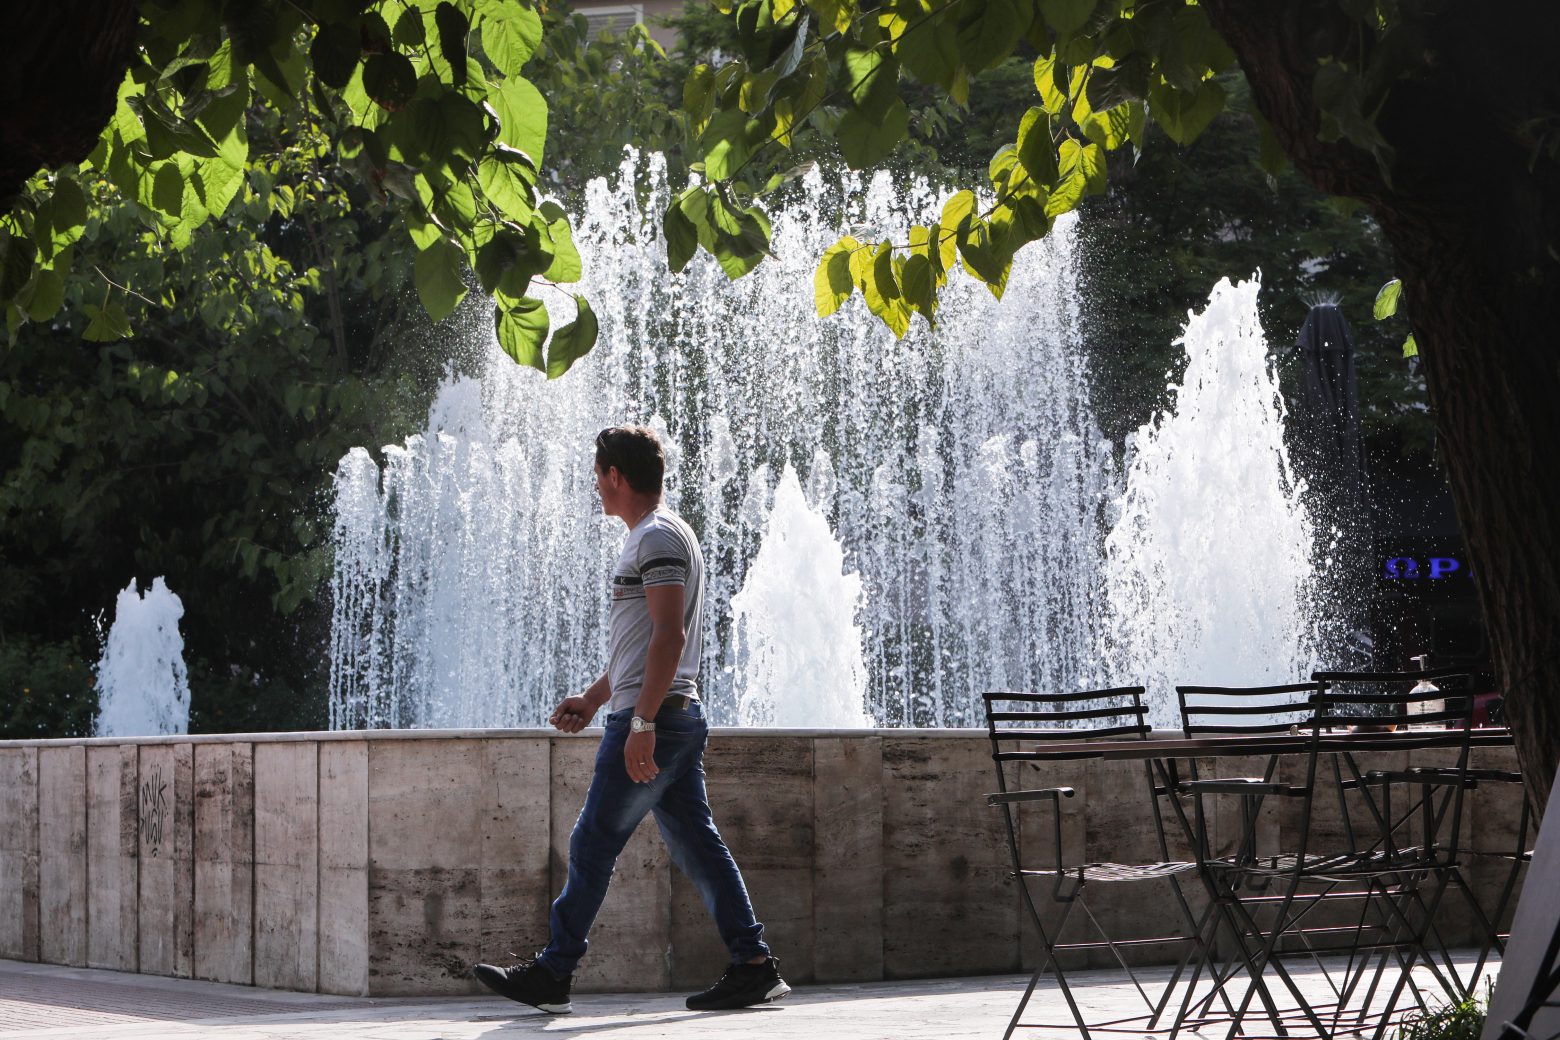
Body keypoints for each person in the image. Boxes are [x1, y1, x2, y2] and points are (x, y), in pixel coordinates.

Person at [473, 425, 788, 1015]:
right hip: (664, 714)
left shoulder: (658, 538)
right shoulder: (659, 536)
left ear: (616, 475)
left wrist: (639, 724)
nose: (596, 487)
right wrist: (595, 700)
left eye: (599, 475)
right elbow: (642, 644)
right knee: (697, 842)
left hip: (657, 720)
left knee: (592, 841)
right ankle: (753, 964)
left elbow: (669, 637)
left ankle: (554, 973)